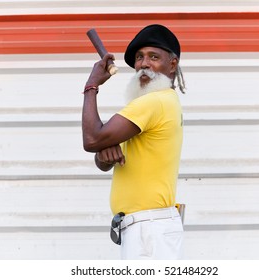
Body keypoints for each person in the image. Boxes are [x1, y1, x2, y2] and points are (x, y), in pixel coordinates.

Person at [81, 24, 186, 259]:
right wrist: (104, 152)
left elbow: (91, 139)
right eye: (139, 58)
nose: (144, 64)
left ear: (172, 64)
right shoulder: (155, 105)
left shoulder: (154, 102)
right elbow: (101, 155)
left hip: (149, 230)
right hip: (147, 229)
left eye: (154, 56)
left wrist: (91, 85)